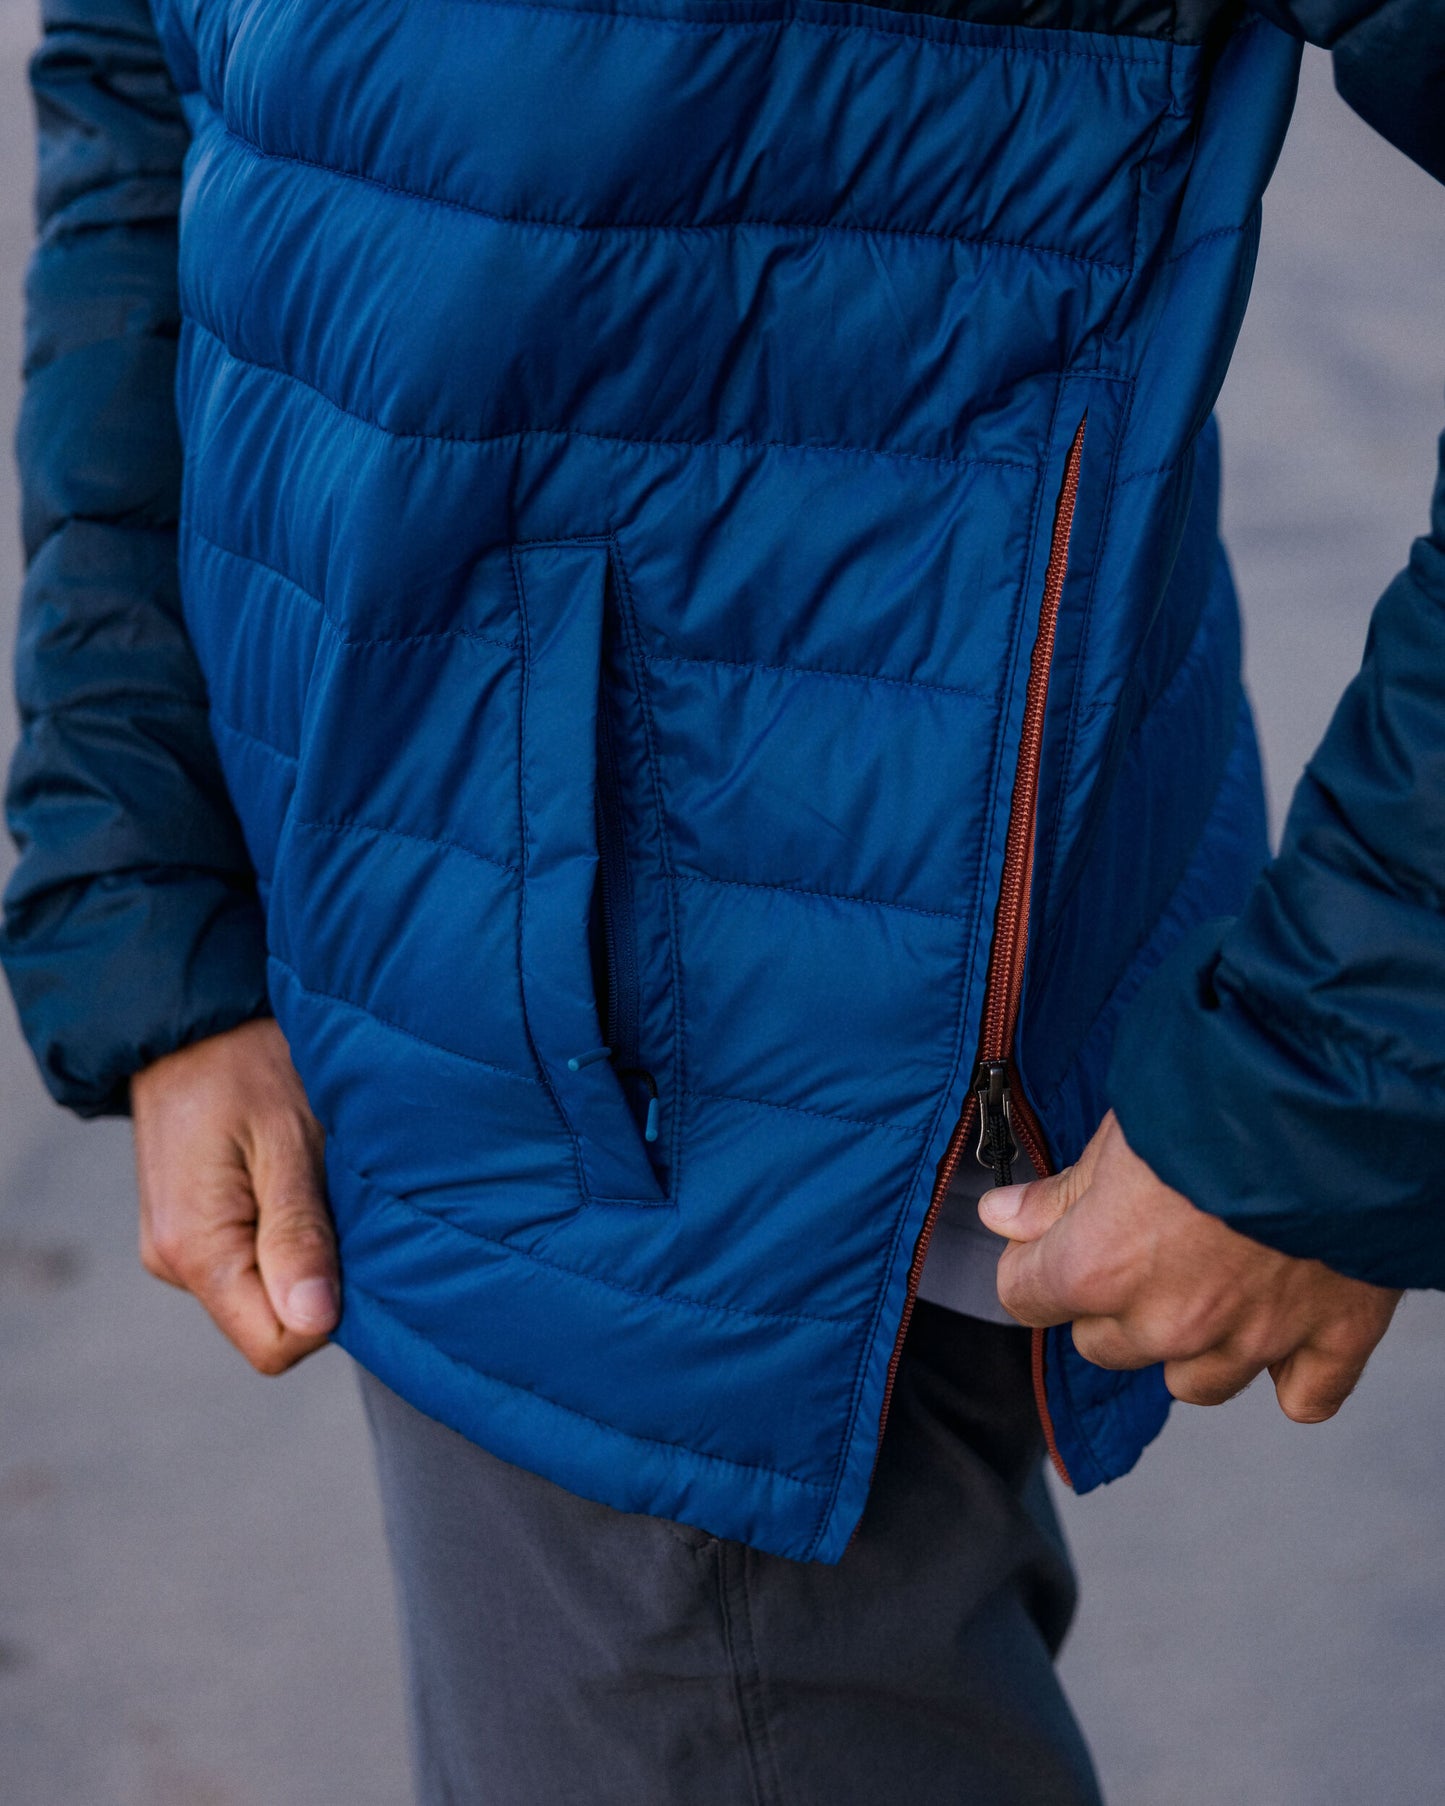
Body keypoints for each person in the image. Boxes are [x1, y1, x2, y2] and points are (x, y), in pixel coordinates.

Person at [2, 0, 1439, 1799]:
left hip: (727, 1121)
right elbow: (143, 68)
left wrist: (1344, 1057)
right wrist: (141, 872)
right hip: (404, 985)